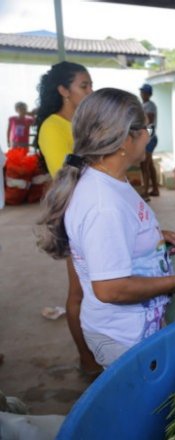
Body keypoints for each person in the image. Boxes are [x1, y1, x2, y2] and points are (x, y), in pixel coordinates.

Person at [36, 88, 175, 368]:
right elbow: (110, 288)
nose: (149, 136)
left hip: (135, 328)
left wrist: (152, 238)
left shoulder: (111, 180)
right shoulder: (103, 202)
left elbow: (116, 232)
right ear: (125, 138)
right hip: (123, 337)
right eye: (146, 128)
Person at [34, 61, 99, 375]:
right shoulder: (53, 126)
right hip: (74, 213)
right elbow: (68, 176)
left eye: (90, 85)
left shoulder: (81, 125)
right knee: (79, 291)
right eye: (84, 85)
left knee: (96, 285)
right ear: (63, 90)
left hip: (93, 211)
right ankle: (86, 360)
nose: (90, 91)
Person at [138, 83, 159, 200]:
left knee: (144, 165)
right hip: (149, 137)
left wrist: (146, 138)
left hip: (149, 139)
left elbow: (149, 122)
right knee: (149, 165)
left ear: (149, 94)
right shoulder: (144, 105)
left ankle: (145, 193)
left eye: (144, 92)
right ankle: (155, 189)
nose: (142, 94)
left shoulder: (149, 106)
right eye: (142, 92)